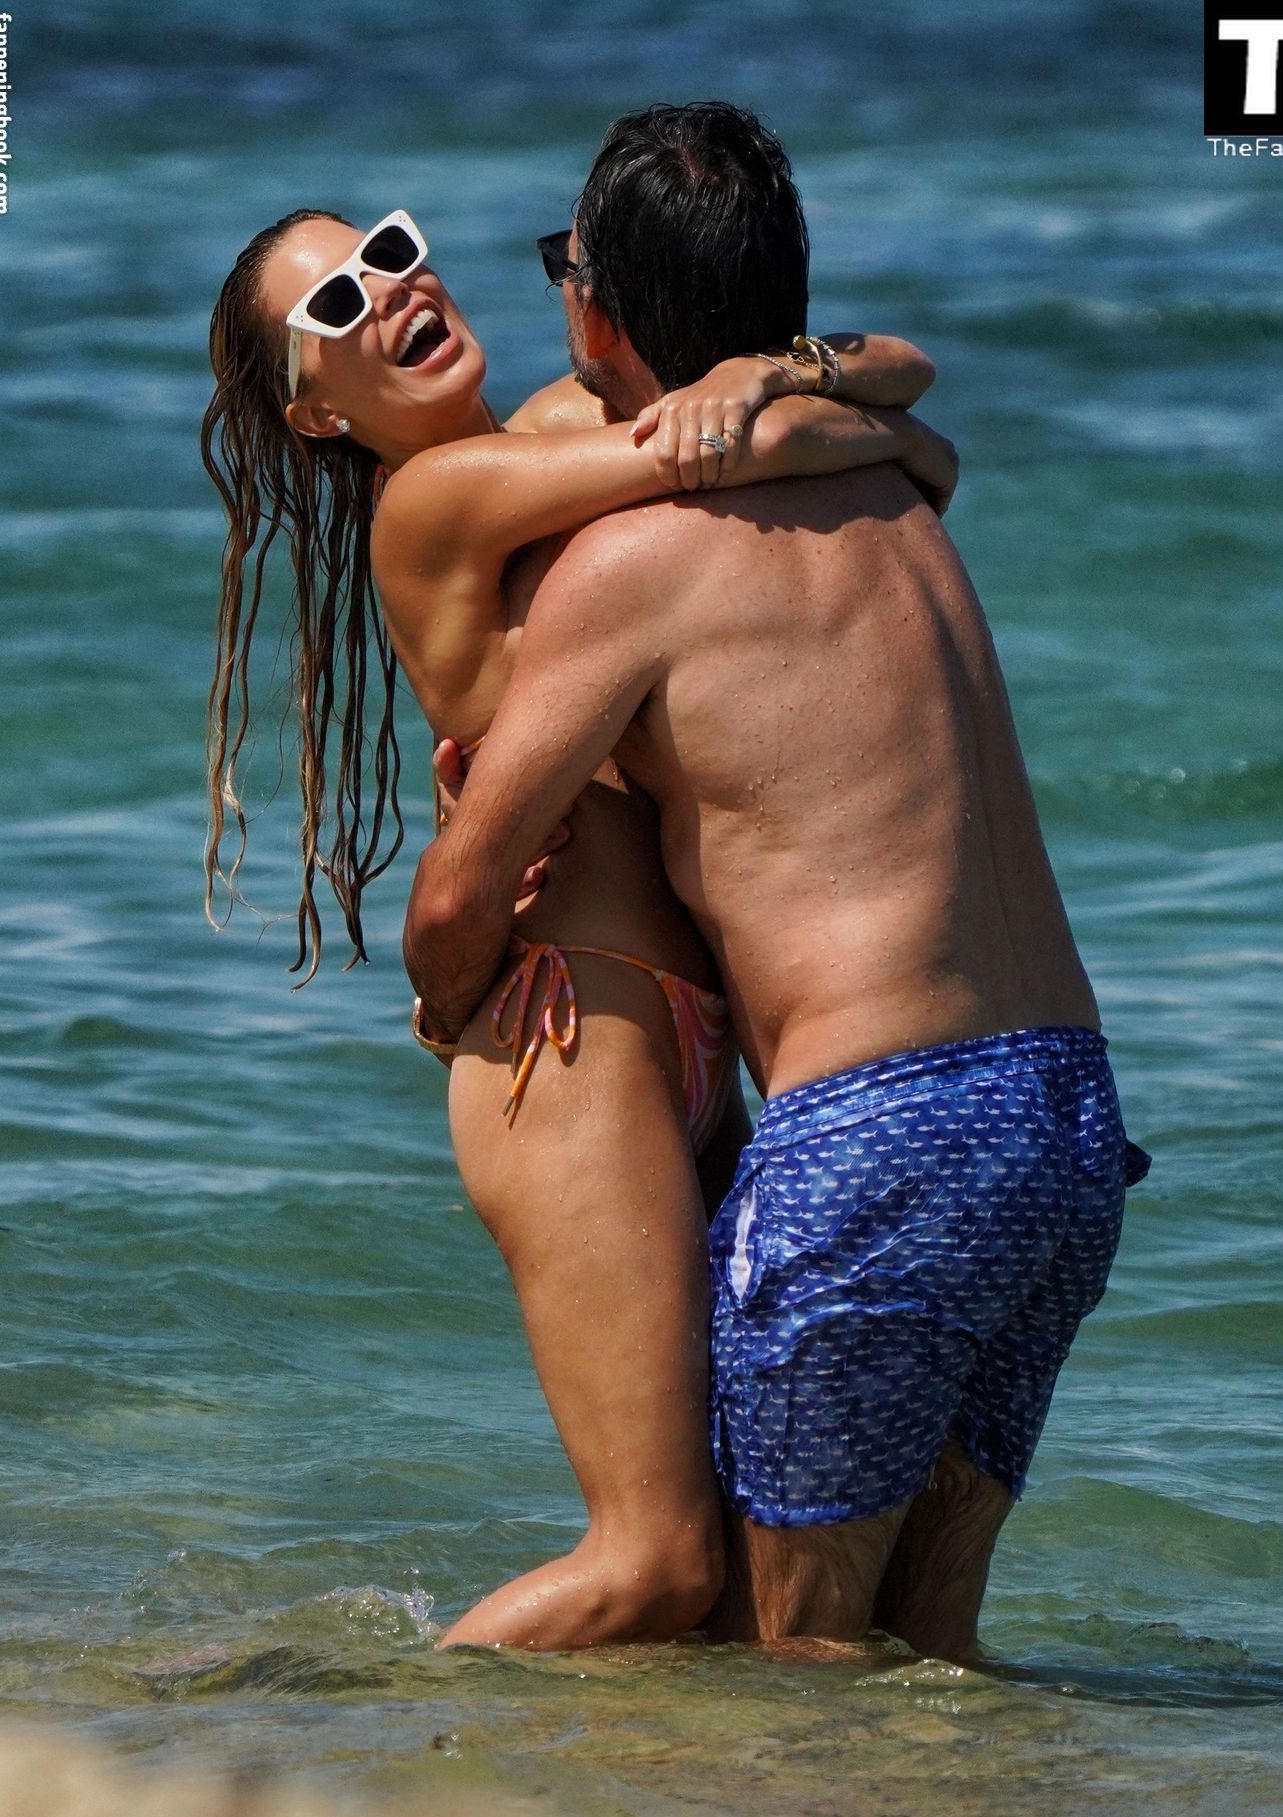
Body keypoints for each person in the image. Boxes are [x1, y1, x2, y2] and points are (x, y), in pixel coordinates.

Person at [405, 101, 1151, 1667]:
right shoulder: (898, 498)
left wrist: (449, 1007)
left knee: (788, 1664)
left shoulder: (635, 563)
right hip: (1064, 1117)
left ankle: (363, 1762)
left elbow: (461, 897)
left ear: (595, 309)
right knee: (931, 1654)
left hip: (877, 1127)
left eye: (562, 271)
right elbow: (907, 409)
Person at [201, 141, 952, 1650]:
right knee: (656, 1562)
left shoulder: (556, 427)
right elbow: (731, 454)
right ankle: (341, 1734)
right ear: (316, 411)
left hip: (687, 1028)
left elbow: (902, 371)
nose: (387, 290)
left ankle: (677, 1792)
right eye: (336, 305)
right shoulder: (432, 501)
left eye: (388, 250)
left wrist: (789, 375)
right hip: (565, 1032)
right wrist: (866, 441)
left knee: (739, 1578)